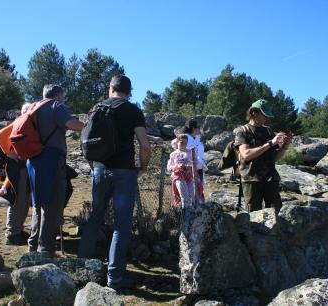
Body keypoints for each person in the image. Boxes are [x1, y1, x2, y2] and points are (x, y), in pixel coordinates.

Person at [78, 75, 151, 291]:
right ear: (129, 91)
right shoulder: (133, 111)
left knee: (95, 216)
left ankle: (82, 267)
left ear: (111, 88)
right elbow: (145, 146)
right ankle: (115, 277)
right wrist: (143, 167)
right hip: (124, 173)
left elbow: (86, 141)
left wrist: (95, 166)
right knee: (121, 225)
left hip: (99, 170)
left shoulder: (96, 108)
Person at [27, 84, 83, 256]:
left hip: (33, 160)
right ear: (58, 95)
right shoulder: (56, 106)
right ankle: (45, 250)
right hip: (51, 160)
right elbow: (73, 125)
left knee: (38, 204)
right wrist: (86, 125)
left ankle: (33, 246)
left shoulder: (32, 108)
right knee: (52, 206)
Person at [234, 99, 293, 214]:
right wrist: (270, 143)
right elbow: (246, 155)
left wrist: (285, 146)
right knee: (254, 216)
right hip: (251, 179)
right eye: (264, 115)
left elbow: (275, 157)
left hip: (270, 178)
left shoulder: (268, 131)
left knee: (276, 212)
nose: (266, 119)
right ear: (253, 113)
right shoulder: (243, 131)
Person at [0, 102, 32, 245]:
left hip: (24, 168)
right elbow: (0, 135)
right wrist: (9, 153)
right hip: (17, 169)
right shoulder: (19, 122)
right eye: (27, 110)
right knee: (17, 201)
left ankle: (18, 229)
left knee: (24, 201)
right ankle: (11, 234)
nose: (29, 113)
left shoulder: (28, 124)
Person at [167, 134, 205, 208]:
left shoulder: (191, 152)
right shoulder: (173, 154)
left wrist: (190, 167)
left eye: (185, 143)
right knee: (184, 197)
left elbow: (197, 164)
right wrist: (177, 167)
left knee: (193, 197)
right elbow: (169, 167)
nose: (183, 144)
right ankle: (186, 215)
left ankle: (194, 213)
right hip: (178, 177)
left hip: (190, 176)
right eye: (181, 142)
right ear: (177, 142)